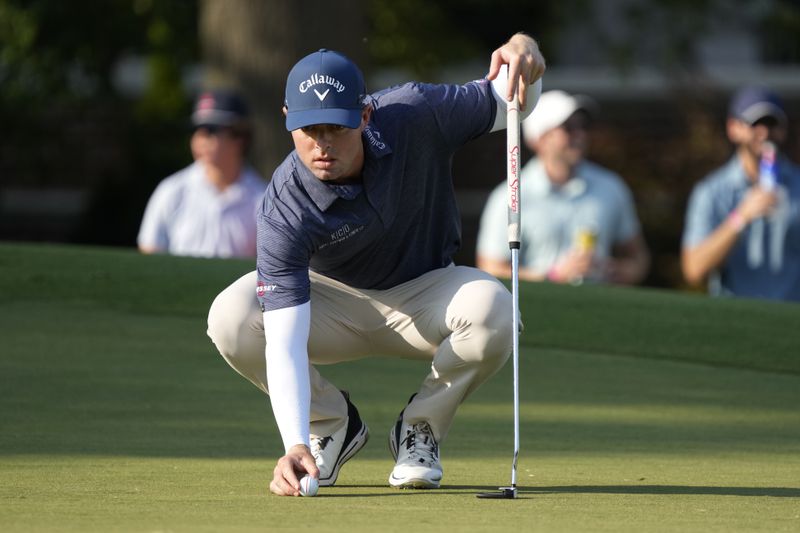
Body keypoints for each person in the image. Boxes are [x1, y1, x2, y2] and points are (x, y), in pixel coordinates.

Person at [206, 35, 546, 497]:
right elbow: (284, 341)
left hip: (425, 295)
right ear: (287, 121)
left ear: (365, 116)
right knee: (230, 316)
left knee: (495, 309)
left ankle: (420, 428)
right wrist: (294, 442)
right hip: (331, 305)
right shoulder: (283, 206)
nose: (323, 145)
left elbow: (512, 99)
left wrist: (527, 53)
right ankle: (329, 425)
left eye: (337, 129)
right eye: (310, 130)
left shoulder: (416, 112)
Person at [476, 90, 650, 285]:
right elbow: (491, 269)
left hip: (600, 312)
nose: (580, 135)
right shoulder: (509, 196)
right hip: (535, 314)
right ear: (539, 139)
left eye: (583, 127)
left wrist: (616, 271)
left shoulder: (611, 187)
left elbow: (638, 258)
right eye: (568, 128)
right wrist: (553, 276)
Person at [682, 86, 800, 301]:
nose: (764, 132)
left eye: (772, 124)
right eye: (755, 123)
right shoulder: (711, 192)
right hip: (736, 322)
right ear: (733, 128)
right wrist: (741, 217)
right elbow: (694, 269)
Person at [137, 89, 266, 258]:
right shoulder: (172, 190)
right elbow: (150, 251)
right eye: (197, 131)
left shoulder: (264, 197)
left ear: (239, 137)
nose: (200, 139)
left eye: (211, 131)